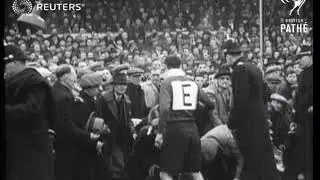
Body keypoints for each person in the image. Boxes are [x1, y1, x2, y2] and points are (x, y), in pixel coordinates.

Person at [155, 56, 215, 180]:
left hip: (174, 129)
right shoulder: (192, 82)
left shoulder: (166, 82)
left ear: (166, 67)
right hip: (192, 129)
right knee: (195, 172)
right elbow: (210, 104)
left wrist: (160, 133)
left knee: (165, 173)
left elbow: (164, 109)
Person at [225, 40, 278, 179]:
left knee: (251, 163)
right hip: (260, 120)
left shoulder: (239, 70)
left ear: (228, 56)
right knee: (265, 161)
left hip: (248, 125)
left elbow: (240, 101)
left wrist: (232, 124)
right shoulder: (254, 67)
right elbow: (266, 92)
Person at [5, 45, 55, 180]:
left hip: (32, 149)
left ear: (14, 62)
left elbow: (32, 109)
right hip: (16, 148)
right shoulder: (12, 82)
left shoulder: (34, 82)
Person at [52, 64, 101, 180]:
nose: (75, 80)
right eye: (74, 76)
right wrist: (88, 135)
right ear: (67, 78)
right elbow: (66, 125)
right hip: (66, 146)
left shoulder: (58, 90)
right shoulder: (63, 96)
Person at [96, 72, 135, 180]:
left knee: (121, 166)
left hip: (123, 137)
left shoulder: (126, 100)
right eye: (119, 84)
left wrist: (133, 131)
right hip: (108, 136)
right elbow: (98, 117)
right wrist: (101, 134)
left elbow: (129, 119)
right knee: (115, 166)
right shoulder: (104, 98)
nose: (122, 87)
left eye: (125, 84)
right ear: (114, 85)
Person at [294, 45, 313, 180]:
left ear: (310, 56)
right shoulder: (302, 74)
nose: (299, 60)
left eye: (302, 57)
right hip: (302, 118)